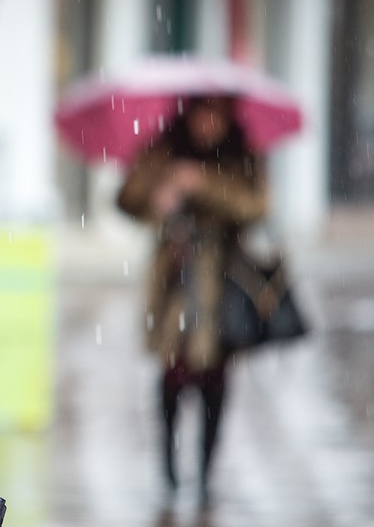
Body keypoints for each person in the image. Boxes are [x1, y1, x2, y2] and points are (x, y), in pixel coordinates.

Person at [115, 94, 268, 503]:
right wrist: (159, 194)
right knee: (171, 377)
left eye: (215, 115)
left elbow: (255, 207)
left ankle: (205, 472)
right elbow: (128, 200)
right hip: (174, 286)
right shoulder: (163, 150)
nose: (207, 124)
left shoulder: (242, 156)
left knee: (215, 381)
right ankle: (167, 468)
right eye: (201, 113)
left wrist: (203, 183)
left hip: (222, 287)